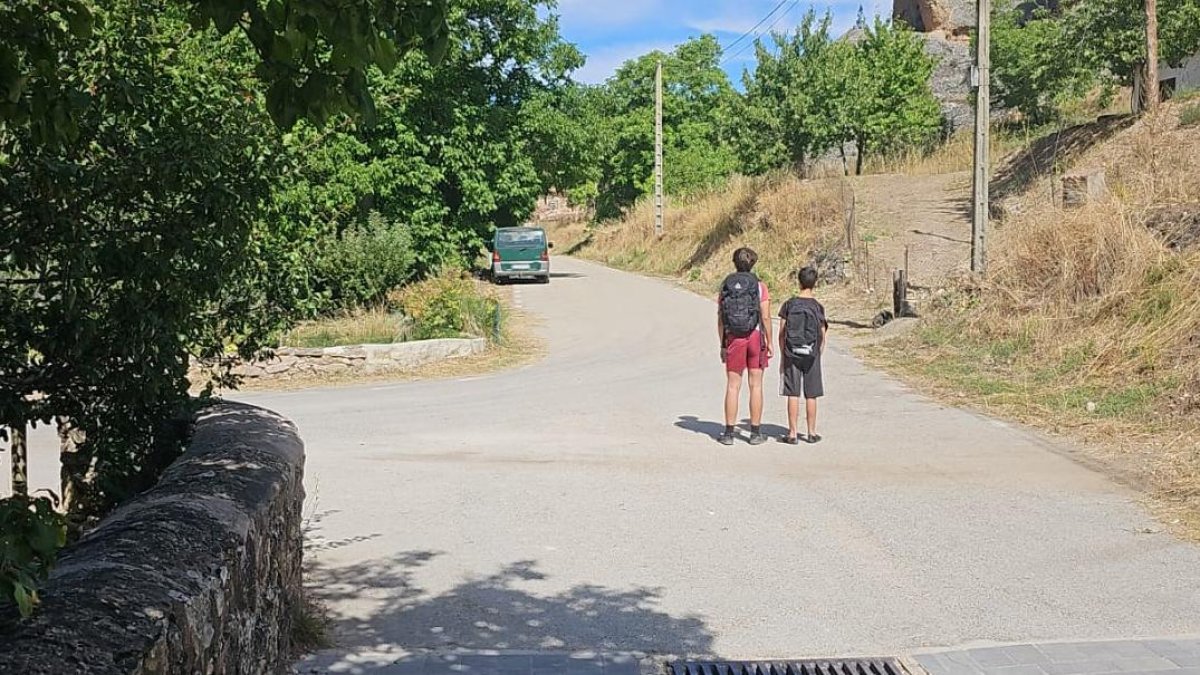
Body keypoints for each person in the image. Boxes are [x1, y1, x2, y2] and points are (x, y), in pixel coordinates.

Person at [717, 247, 772, 446]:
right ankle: (755, 433)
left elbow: (721, 317)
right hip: (755, 336)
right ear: (753, 264)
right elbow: (765, 316)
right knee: (756, 385)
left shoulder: (726, 285)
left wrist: (723, 343)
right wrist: (770, 341)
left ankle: (729, 433)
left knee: (733, 386)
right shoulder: (759, 286)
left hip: (734, 338)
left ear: (734, 263)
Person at [777, 266, 828, 444]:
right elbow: (822, 334)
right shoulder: (818, 307)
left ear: (798, 282)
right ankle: (811, 433)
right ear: (815, 284)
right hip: (811, 354)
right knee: (811, 394)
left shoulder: (789, 305)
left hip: (792, 353)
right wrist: (818, 352)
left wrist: (784, 354)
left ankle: (792, 433)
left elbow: (782, 333)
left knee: (792, 392)